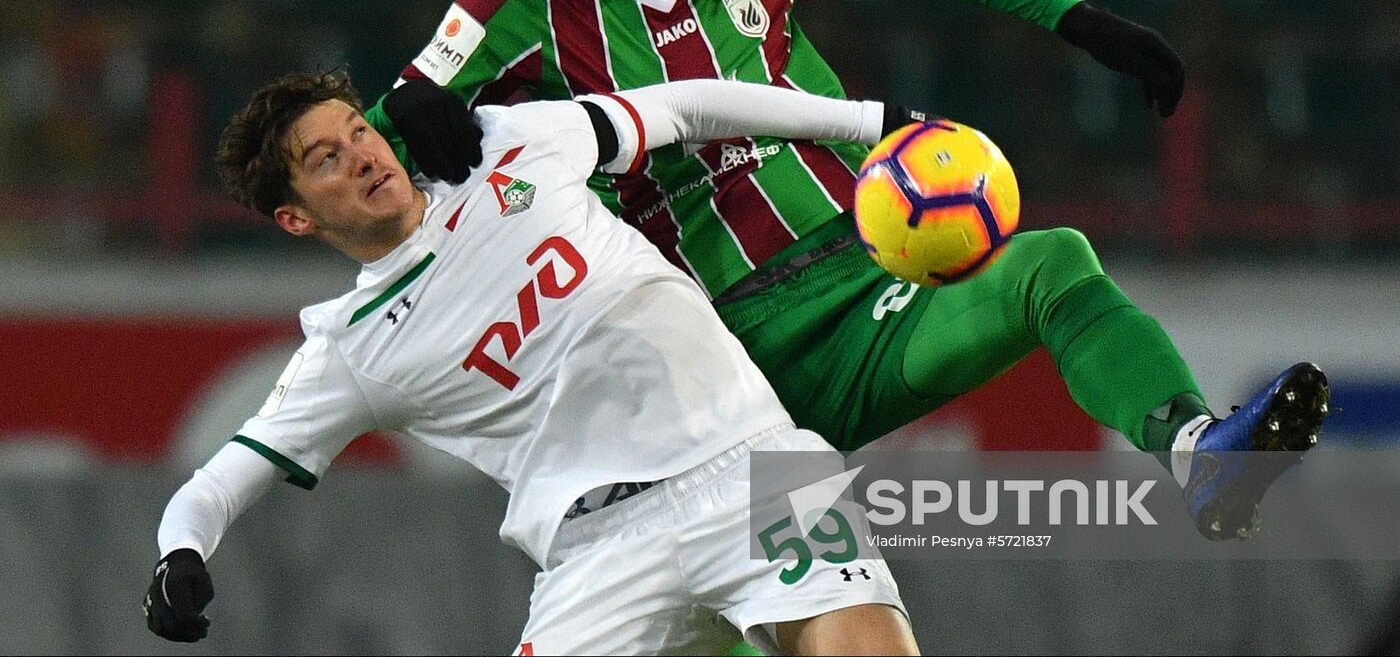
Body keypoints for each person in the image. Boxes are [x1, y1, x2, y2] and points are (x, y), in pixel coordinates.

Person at [367, 0, 1329, 542]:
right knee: (738, 614)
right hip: (713, 364)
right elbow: (376, 131)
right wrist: (410, 113)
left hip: (866, 289)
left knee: (1054, 261)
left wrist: (1077, 19)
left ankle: (1199, 451)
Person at [143, 70, 920, 656]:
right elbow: (219, 481)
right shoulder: (352, 346)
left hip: (753, 463)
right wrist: (180, 552)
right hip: (599, 552)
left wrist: (872, 121)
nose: (361, 155)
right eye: (325, 158)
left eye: (358, 131)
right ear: (295, 215)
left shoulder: (508, 146)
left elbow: (683, 106)